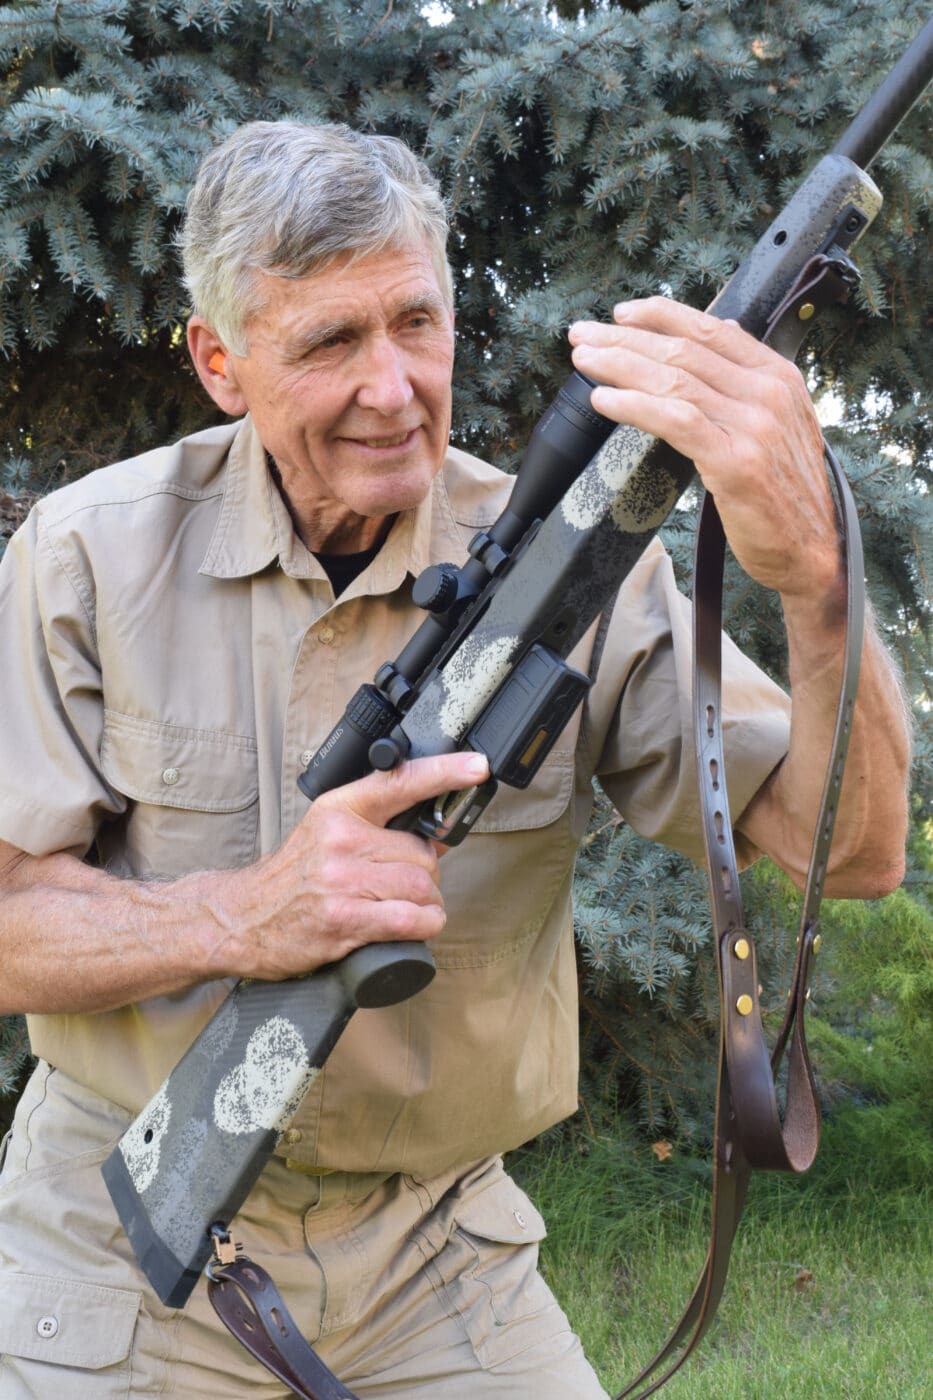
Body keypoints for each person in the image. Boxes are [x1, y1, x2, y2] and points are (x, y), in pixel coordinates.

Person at [0, 122, 909, 1398]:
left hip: (440, 1245)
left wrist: (818, 575)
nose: (393, 388)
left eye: (416, 323)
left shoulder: (580, 565)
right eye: (328, 341)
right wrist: (243, 915)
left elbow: (855, 855)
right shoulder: (85, 557)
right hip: (111, 1223)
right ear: (222, 361)